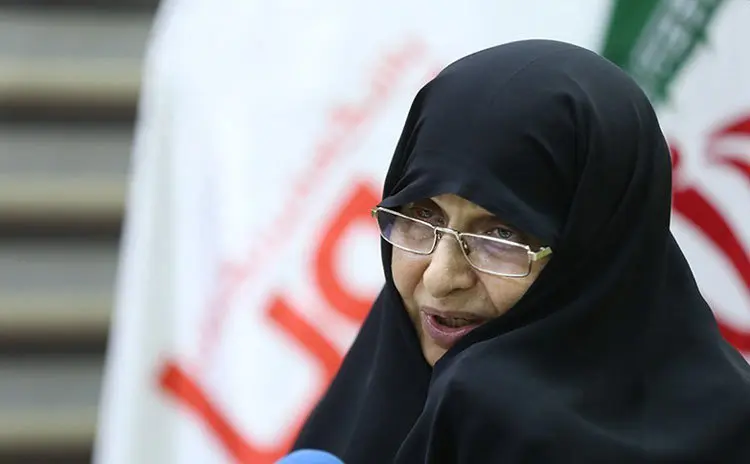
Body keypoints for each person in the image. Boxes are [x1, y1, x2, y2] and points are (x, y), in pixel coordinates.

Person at [292, 39, 750, 463]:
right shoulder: (383, 380)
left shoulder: (491, 419)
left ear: (597, 252)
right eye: (422, 216)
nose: (440, 278)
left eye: (501, 236)